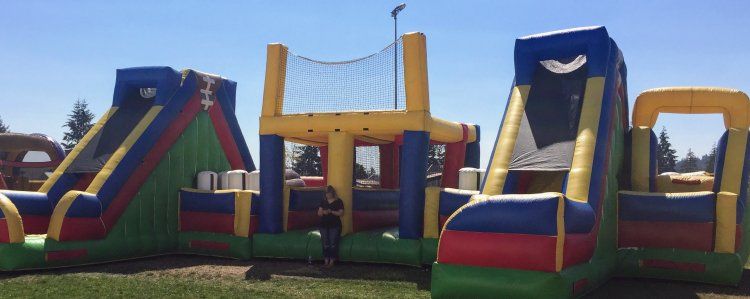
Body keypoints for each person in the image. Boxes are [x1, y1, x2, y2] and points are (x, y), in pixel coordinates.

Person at [318, 185, 344, 268]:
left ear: (332, 193)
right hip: (323, 225)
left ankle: (332, 261)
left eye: (329, 193)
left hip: (335, 225)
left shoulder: (338, 201)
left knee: (333, 243)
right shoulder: (323, 201)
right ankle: (326, 260)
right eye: (326, 193)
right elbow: (319, 213)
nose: (327, 195)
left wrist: (331, 211)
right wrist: (323, 212)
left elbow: (341, 213)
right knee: (325, 243)